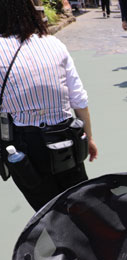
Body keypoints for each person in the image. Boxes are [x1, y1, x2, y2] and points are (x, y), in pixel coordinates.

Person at [0, 0, 98, 211]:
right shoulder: (53, 44)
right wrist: (88, 138)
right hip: (67, 138)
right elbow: (79, 100)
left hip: (24, 146)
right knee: (83, 209)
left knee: (48, 213)